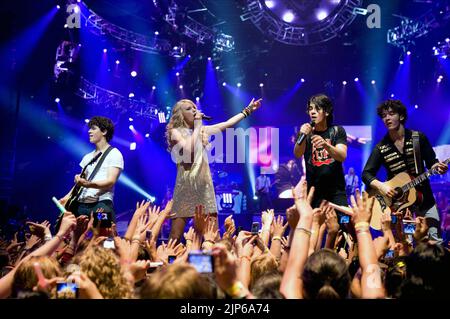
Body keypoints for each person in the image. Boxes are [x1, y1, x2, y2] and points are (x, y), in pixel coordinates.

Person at [166, 98, 262, 241]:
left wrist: (247, 111)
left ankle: (211, 261)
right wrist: (198, 126)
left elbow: (227, 124)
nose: (193, 110)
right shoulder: (176, 132)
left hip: (205, 187)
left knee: (212, 234)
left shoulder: (202, 130)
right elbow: (188, 150)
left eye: (194, 107)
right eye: (188, 108)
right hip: (186, 187)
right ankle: (169, 261)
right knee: (175, 235)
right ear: (180, 115)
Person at [362, 99, 448, 241]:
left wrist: (437, 168)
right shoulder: (381, 147)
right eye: (384, 116)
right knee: (405, 245)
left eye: (391, 114)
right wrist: (382, 187)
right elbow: (366, 174)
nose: (387, 118)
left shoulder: (418, 138)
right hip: (399, 205)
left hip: (424, 198)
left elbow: (432, 162)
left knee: (434, 240)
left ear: (401, 116)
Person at [59, 116, 124, 221]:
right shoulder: (87, 157)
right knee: (75, 235)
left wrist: (87, 184)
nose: (89, 131)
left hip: (101, 205)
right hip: (81, 205)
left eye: (93, 128)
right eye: (89, 128)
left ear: (104, 131)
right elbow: (80, 184)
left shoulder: (115, 154)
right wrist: (67, 196)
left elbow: (110, 181)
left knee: (102, 234)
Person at [293, 94, 348, 208]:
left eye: (317, 109)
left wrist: (325, 145)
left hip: (336, 192)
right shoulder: (306, 132)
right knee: (315, 225)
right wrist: (302, 134)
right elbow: (297, 153)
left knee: (343, 223)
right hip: (313, 193)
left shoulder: (337, 131)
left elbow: (342, 156)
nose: (312, 112)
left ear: (326, 112)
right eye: (310, 109)